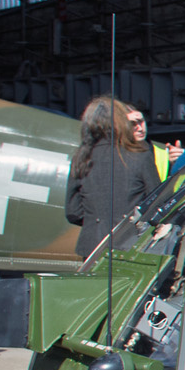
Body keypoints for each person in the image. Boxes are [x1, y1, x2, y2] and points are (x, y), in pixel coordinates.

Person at [65, 96, 161, 258]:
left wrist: (97, 222)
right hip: (132, 243)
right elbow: (158, 203)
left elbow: (73, 211)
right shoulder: (140, 155)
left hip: (92, 246)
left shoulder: (81, 158)